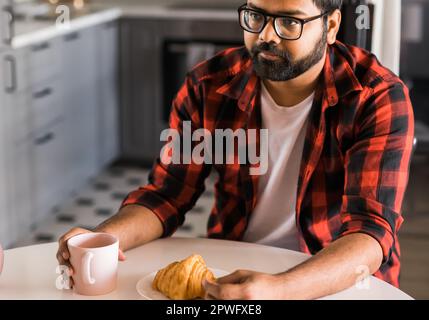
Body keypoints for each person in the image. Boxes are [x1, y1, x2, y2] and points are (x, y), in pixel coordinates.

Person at [57, 0, 414, 300]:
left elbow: (370, 233)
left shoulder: (376, 97)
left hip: (337, 280)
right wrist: (102, 240)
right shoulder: (207, 85)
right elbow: (166, 196)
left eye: (289, 21)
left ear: (332, 26)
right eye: (256, 16)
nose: (267, 36)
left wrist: (280, 288)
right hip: (232, 272)